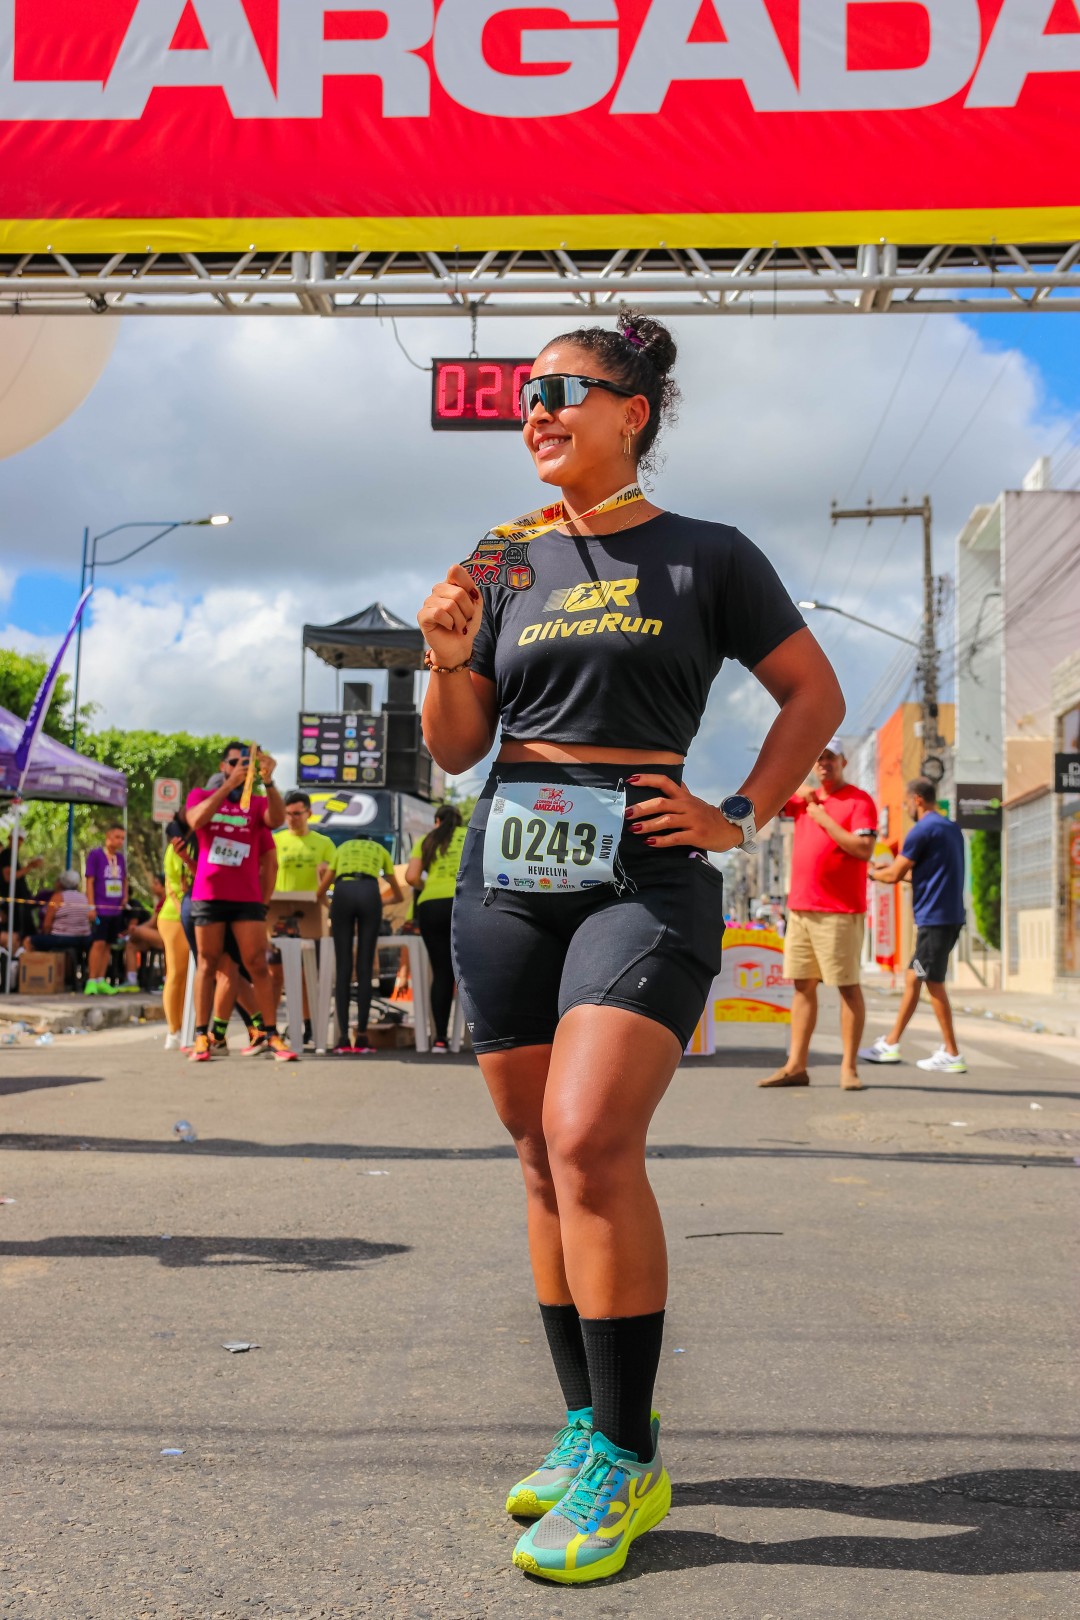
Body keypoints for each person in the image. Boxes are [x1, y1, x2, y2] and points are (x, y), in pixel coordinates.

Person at [417, 310, 843, 1584]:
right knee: (538, 1156)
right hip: (506, 868)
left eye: (562, 390)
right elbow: (457, 746)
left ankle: (625, 1455)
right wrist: (444, 659)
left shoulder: (708, 554)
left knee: (591, 1137)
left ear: (631, 411)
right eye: (526, 395)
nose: (535, 411)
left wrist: (740, 814)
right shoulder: (503, 561)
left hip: (645, 867)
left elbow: (814, 694)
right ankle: (587, 1425)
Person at [758, 739, 877, 1091]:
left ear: (844, 761)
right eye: (819, 758)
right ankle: (796, 1065)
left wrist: (823, 819)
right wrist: (801, 789)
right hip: (801, 908)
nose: (824, 763)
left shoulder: (859, 801)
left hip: (839, 911)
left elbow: (864, 848)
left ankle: (849, 1067)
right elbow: (772, 795)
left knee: (847, 986)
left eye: (831, 758)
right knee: (802, 985)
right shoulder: (805, 800)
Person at [184, 741, 294, 1063]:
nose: (241, 767)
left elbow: (276, 819)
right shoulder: (201, 795)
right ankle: (202, 1036)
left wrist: (269, 781)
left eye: (247, 762)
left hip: (246, 897)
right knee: (207, 963)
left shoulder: (256, 803)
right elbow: (195, 821)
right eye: (234, 762)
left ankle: (271, 1035)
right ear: (223, 766)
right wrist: (228, 786)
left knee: (257, 963)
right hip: (209, 894)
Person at [861, 778, 968, 1073]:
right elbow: (927, 875)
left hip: (934, 920)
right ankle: (891, 1043)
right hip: (946, 917)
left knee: (931, 981)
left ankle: (952, 1052)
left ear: (917, 799)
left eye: (907, 802)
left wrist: (871, 873)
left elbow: (894, 875)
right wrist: (889, 871)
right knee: (914, 978)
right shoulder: (950, 828)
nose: (907, 807)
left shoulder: (921, 830)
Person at [318, 834, 403, 1055]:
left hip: (343, 893)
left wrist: (331, 907)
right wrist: (380, 902)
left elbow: (320, 891)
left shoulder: (343, 847)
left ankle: (343, 1039)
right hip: (369, 893)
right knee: (365, 967)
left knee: (343, 968)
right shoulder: (379, 850)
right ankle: (363, 1037)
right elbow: (398, 895)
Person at [269, 790, 337, 1048]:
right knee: (274, 975)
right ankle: (269, 1028)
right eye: (288, 814)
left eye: (297, 813)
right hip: (279, 914)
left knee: (308, 976)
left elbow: (332, 875)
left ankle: (309, 1025)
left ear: (309, 813)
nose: (292, 818)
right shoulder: (276, 840)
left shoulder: (324, 843)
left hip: (309, 916)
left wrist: (323, 877)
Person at [405, 804, 466, 1052]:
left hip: (430, 905)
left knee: (441, 973)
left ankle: (440, 1039)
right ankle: (478, 1039)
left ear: (437, 821)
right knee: (470, 972)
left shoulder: (426, 840)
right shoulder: (468, 834)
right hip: (462, 901)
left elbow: (411, 877)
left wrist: (430, 885)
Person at [84, 825, 139, 994]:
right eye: (117, 837)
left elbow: (124, 879)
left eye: (122, 838)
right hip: (100, 908)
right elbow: (90, 881)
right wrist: (91, 906)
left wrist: (125, 897)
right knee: (98, 943)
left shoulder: (120, 858)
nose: (120, 841)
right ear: (108, 836)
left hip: (115, 909)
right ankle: (91, 980)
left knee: (108, 944)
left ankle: (101, 979)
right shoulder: (95, 855)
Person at [159, 823, 196, 1050]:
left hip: (203, 914)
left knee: (202, 974)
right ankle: (174, 1030)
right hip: (174, 917)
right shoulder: (175, 849)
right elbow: (173, 888)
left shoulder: (205, 842)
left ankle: (198, 1029)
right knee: (177, 973)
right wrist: (186, 915)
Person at [30, 871, 94, 981]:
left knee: (29, 941)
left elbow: (47, 924)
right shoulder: (84, 897)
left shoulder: (58, 897)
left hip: (62, 938)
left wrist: (45, 933)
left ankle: (34, 976)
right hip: (84, 938)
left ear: (61, 883)